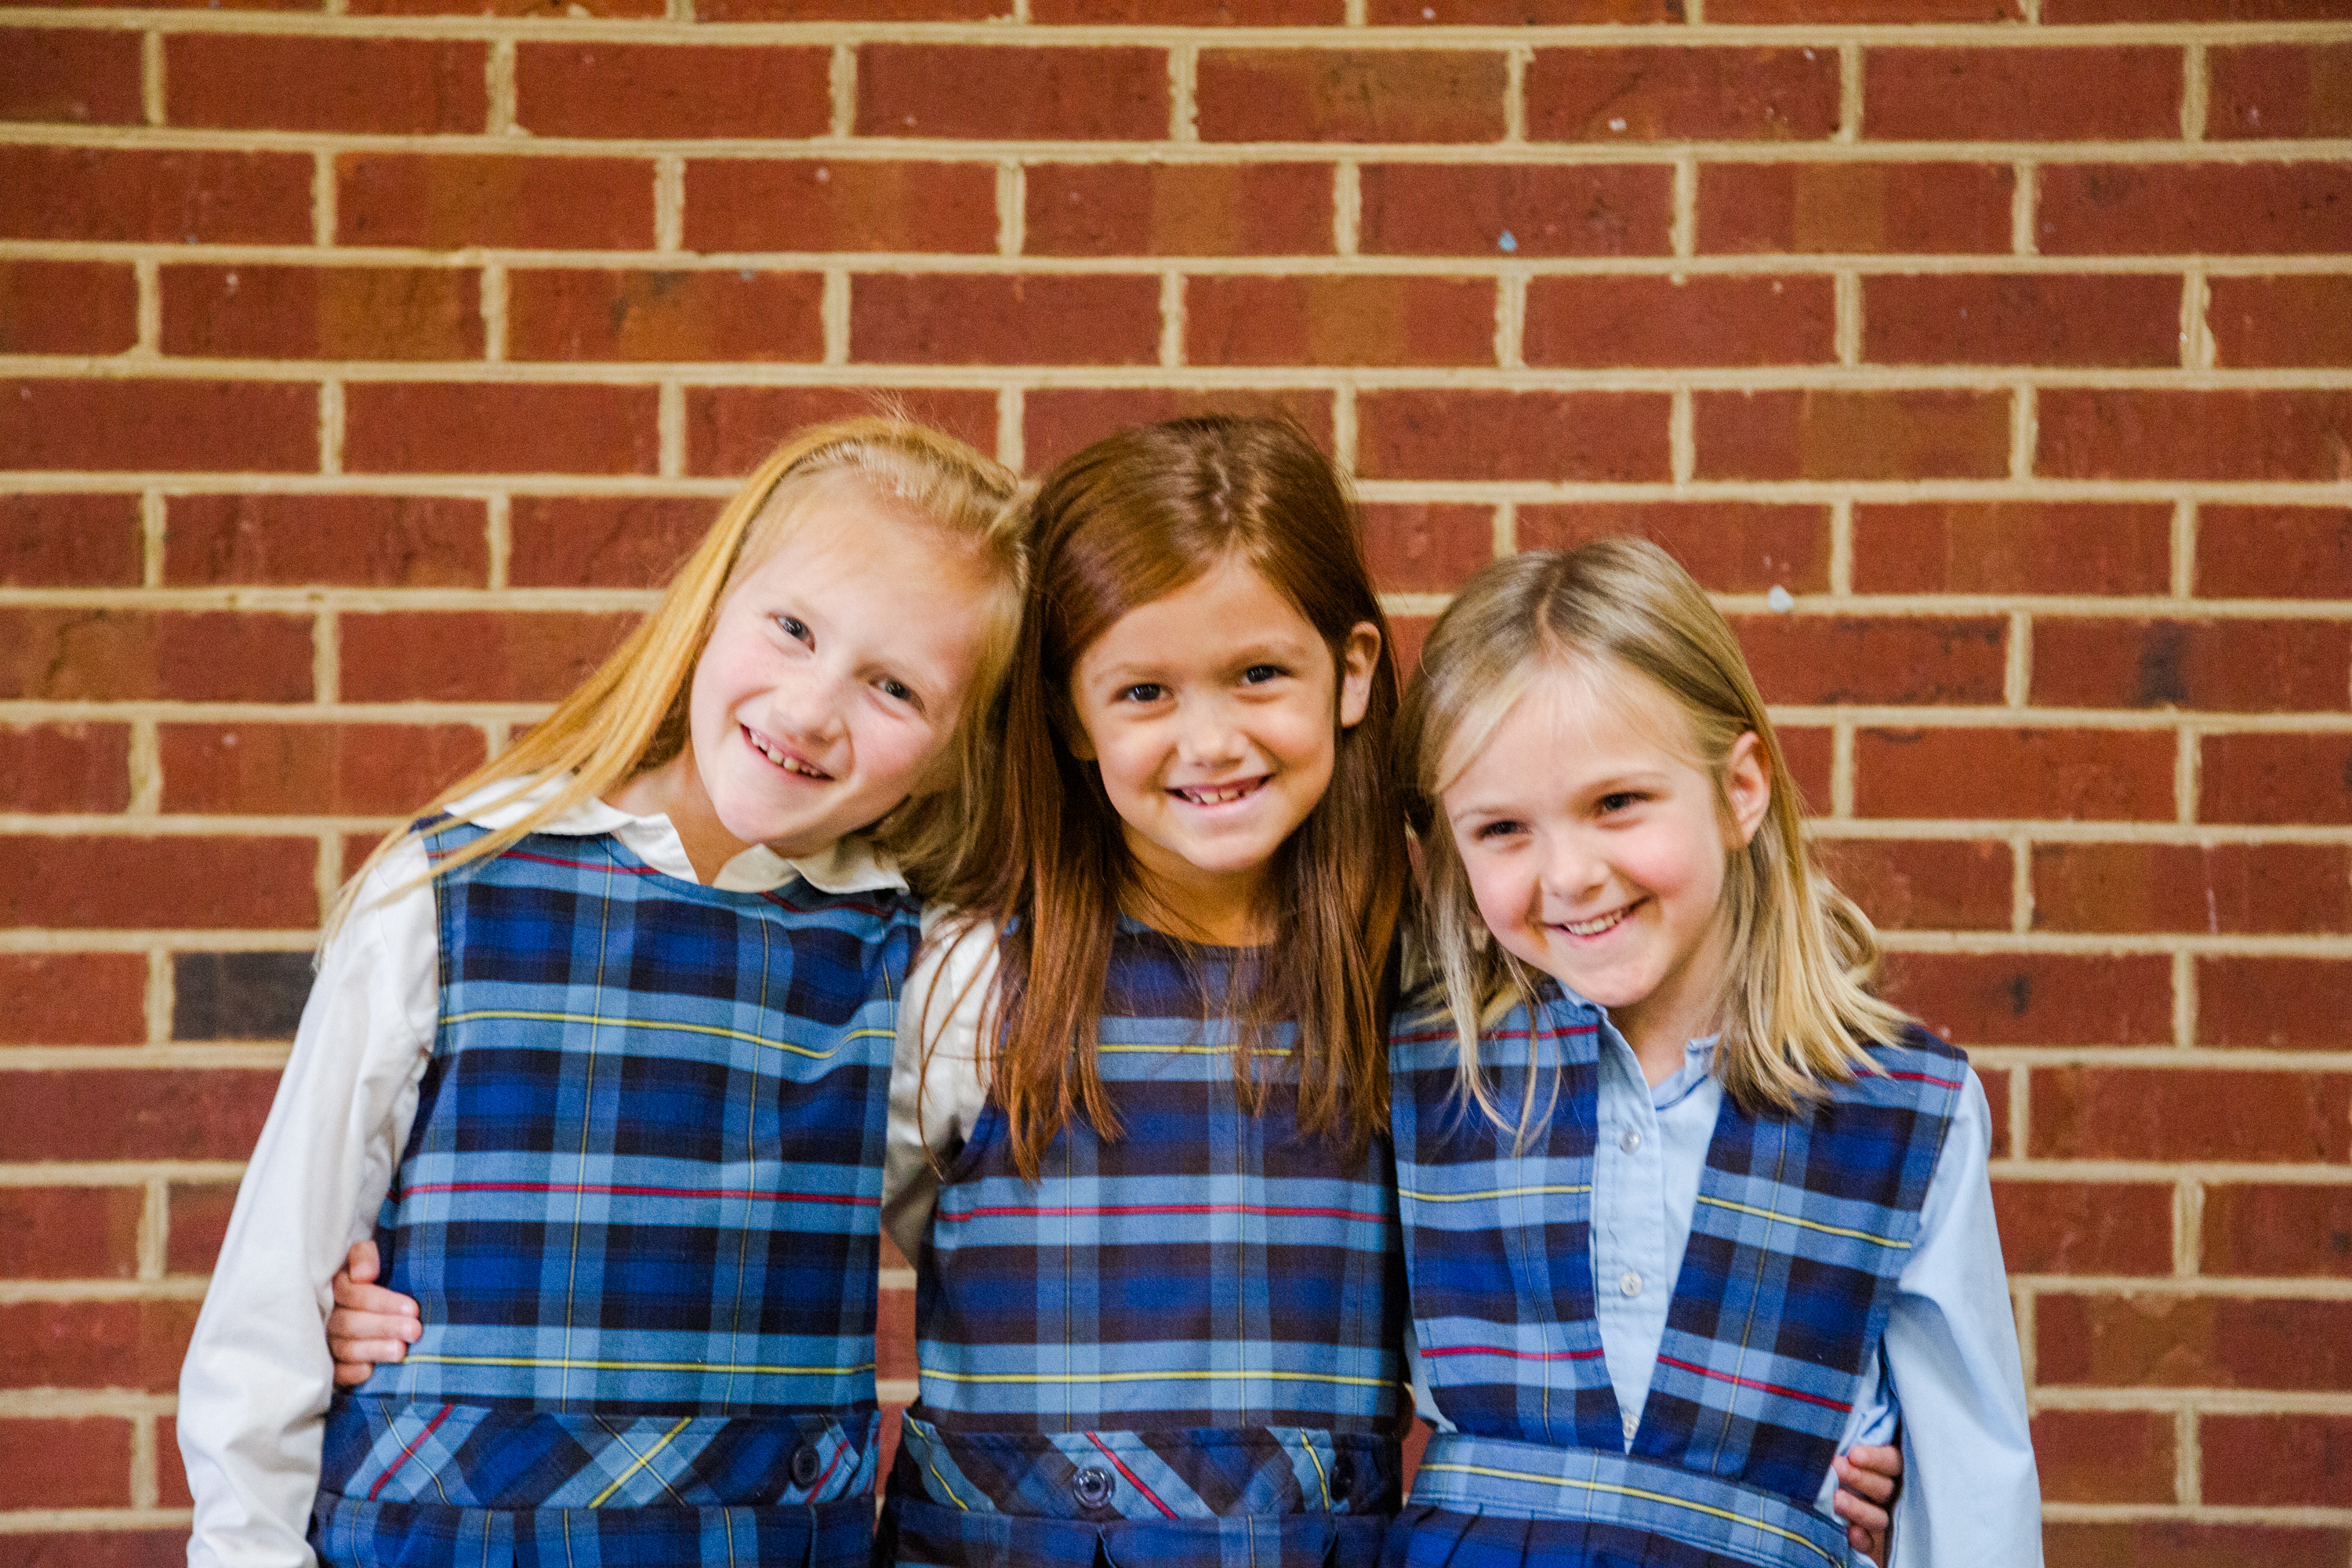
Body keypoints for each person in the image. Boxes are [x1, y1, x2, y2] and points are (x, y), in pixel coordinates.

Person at [178, 418, 1027, 1568]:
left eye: (894, 687)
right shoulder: (450, 885)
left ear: (954, 745)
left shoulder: (918, 967)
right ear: (715, 602)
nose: (813, 707)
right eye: (792, 628)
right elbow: (275, 1299)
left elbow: (1012, 1296)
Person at [1383, 539, 2040, 1568]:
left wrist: (1844, 1470)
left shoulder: (1903, 1111)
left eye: (1616, 804)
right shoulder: (1423, 1084)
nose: (1569, 875)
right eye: (1504, 828)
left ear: (1740, 789)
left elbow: (1971, 1499)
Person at [877, 416, 1412, 1566]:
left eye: (1259, 675)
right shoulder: (970, 977)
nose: (1210, 739)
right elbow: (793, 1240)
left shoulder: (1413, 983)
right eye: (1145, 693)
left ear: (1351, 673)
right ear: (1072, 712)